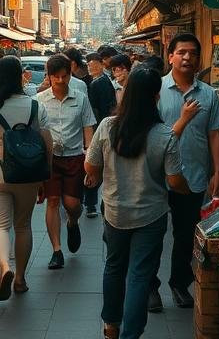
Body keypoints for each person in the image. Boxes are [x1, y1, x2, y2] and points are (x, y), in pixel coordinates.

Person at [86, 65, 192, 339]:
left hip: (115, 212)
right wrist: (188, 191)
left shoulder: (107, 126)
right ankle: (130, 335)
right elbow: (174, 181)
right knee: (139, 275)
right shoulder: (164, 134)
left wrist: (98, 175)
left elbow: (90, 166)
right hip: (151, 216)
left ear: (127, 93)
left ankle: (111, 324)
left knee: (114, 266)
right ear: (156, 96)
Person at [150, 33, 219, 312]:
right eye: (181, 52)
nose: (187, 58)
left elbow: (215, 134)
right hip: (157, 178)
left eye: (193, 53)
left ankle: (179, 283)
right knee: (153, 235)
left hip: (193, 176)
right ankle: (150, 287)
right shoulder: (155, 90)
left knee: (185, 235)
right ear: (170, 56)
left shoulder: (208, 94)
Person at [0, 55, 54, 301]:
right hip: (28, 175)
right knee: (23, 226)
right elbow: (48, 144)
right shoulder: (35, 106)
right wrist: (44, 176)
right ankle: (19, 278)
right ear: (20, 76)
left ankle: (4, 267)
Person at [36, 54, 97, 268]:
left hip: (74, 156)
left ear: (70, 75)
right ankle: (56, 250)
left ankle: (72, 222)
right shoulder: (39, 100)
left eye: (65, 76)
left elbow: (88, 127)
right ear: (49, 77)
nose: (61, 81)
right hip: (50, 159)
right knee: (52, 202)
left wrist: (90, 157)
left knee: (73, 204)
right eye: (56, 77)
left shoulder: (80, 98)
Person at [84, 52, 120, 218]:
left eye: (92, 63)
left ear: (100, 64)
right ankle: (91, 202)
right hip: (103, 127)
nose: (90, 67)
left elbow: (98, 109)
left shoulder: (99, 83)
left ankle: (91, 203)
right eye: (88, 64)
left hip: (101, 127)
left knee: (96, 166)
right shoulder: (100, 81)